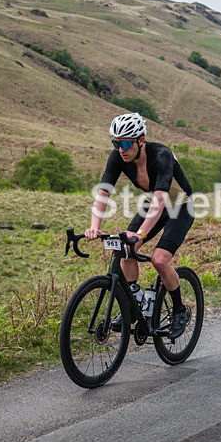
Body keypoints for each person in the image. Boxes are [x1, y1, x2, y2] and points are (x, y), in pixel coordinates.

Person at [85, 112, 194, 339]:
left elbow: (161, 199)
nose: (121, 149)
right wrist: (94, 226)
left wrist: (141, 234)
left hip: (180, 207)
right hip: (153, 203)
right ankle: (135, 303)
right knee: (126, 250)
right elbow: (103, 192)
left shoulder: (161, 155)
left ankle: (179, 311)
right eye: (116, 143)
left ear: (141, 140)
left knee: (159, 260)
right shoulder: (118, 157)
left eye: (125, 143)